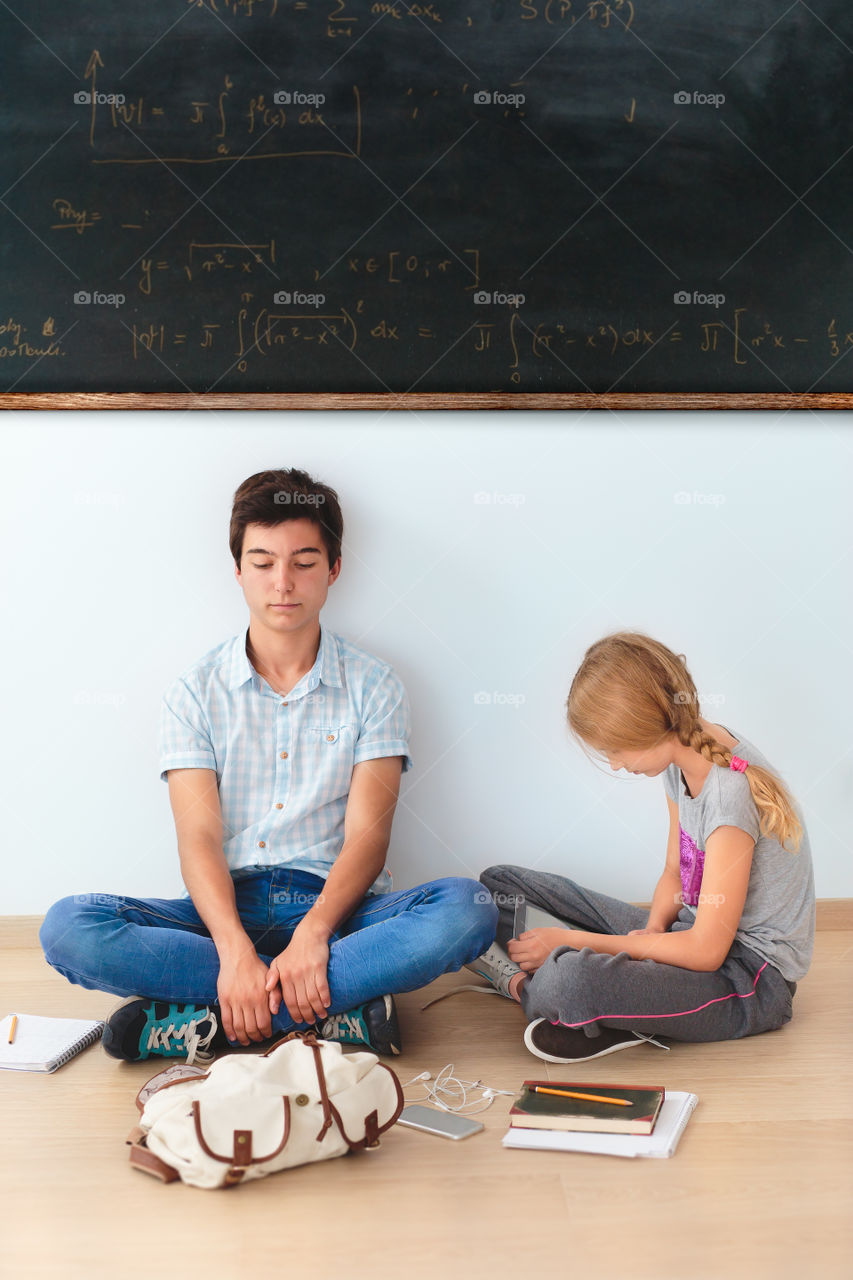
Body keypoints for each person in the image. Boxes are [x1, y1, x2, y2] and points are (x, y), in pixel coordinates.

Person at [40, 468, 497, 1064]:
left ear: (334, 570)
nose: (283, 582)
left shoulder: (375, 685)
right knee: (67, 926)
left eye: (304, 562)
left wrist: (312, 935)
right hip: (222, 912)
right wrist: (233, 950)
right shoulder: (194, 691)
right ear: (238, 571)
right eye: (262, 562)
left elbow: (368, 839)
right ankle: (324, 1014)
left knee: (468, 909)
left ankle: (217, 1024)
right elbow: (198, 838)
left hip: (340, 912)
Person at [468, 632, 814, 1063]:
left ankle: (528, 987)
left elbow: (707, 952)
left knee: (565, 982)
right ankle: (618, 1006)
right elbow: (675, 870)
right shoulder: (681, 760)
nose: (614, 764)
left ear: (646, 728)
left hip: (748, 979)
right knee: (495, 886)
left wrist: (574, 939)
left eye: (615, 750)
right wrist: (650, 931)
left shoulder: (729, 798)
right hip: (691, 930)